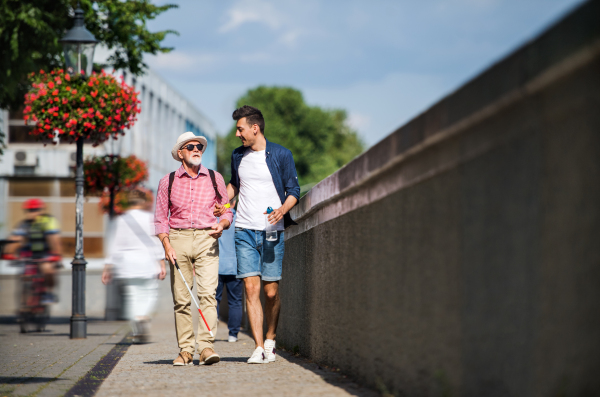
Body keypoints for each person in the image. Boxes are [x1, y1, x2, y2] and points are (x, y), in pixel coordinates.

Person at [215, 105, 300, 364]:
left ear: (255, 128)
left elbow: (293, 189)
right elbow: (235, 185)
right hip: (244, 230)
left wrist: (282, 210)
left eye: (240, 129)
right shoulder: (238, 156)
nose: (238, 134)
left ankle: (271, 338)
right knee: (251, 289)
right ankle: (258, 346)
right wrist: (224, 204)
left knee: (271, 292)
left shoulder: (281, 155)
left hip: (272, 231)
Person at [155, 131, 233, 367]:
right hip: (177, 239)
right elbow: (160, 218)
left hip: (207, 238)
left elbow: (226, 208)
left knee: (208, 293)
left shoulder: (214, 178)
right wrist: (166, 245)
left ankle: (206, 347)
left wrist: (222, 223)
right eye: (191, 147)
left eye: (199, 146)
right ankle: (186, 351)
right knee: (181, 299)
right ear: (180, 153)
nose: (197, 149)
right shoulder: (166, 181)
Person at [102, 189, 166, 343]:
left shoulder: (121, 220)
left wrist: (107, 267)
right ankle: (143, 316)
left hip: (128, 264)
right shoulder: (151, 219)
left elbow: (114, 245)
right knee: (150, 293)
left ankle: (137, 323)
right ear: (143, 202)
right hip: (147, 262)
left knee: (132, 297)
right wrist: (162, 263)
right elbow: (157, 242)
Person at [6, 199, 62, 305]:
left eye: (35, 210)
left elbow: (55, 240)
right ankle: (24, 306)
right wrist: (8, 252)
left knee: (47, 269)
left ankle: (48, 293)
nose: (32, 213)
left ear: (41, 210)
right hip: (29, 253)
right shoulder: (23, 224)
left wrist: (57, 255)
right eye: (29, 210)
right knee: (25, 275)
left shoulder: (48, 221)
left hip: (45, 252)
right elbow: (14, 238)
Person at [215, 198, 243, 343]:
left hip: (216, 265)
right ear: (234, 202)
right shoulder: (239, 218)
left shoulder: (215, 219)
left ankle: (210, 331)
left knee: (213, 300)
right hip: (235, 265)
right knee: (235, 301)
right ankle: (233, 334)